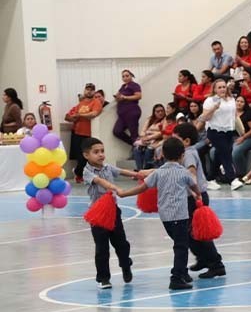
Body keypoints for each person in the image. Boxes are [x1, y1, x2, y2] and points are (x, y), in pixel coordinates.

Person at [118, 138, 202, 290]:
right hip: (180, 216)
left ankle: (183, 272)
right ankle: (176, 277)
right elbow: (194, 185)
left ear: (162, 154)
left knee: (179, 243)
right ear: (182, 155)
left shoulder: (158, 173)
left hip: (165, 217)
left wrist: (125, 193)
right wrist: (197, 195)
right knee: (181, 246)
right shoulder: (184, 173)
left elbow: (143, 187)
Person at [172, 124, 226, 279]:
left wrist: (193, 192)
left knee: (198, 234)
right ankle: (203, 259)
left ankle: (216, 265)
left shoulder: (188, 154)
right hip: (192, 196)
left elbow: (191, 173)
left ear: (186, 141)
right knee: (191, 233)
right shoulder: (186, 152)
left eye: (176, 139)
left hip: (195, 197)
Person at [81, 137, 136, 289]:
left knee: (121, 243)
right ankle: (103, 278)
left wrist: (139, 175)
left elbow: (123, 171)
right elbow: (100, 182)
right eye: (96, 152)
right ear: (86, 155)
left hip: (113, 212)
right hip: (98, 215)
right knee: (102, 248)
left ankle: (126, 264)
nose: (100, 155)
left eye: (102, 151)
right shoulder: (87, 172)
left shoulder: (108, 168)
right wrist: (114, 187)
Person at [198, 79, 243, 191]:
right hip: (215, 131)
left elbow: (235, 116)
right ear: (214, 89)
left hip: (228, 130)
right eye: (219, 87)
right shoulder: (210, 100)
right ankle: (232, 179)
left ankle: (210, 178)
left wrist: (241, 130)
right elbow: (204, 118)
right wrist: (214, 108)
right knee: (226, 153)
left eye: (224, 87)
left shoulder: (231, 99)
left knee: (219, 154)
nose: (222, 89)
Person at [66, 83, 103, 182]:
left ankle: (79, 173)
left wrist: (80, 115)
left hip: (88, 133)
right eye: (87, 89)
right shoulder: (81, 103)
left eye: (91, 89)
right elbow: (69, 115)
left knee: (86, 156)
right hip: (77, 132)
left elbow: (94, 113)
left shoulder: (96, 102)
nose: (89, 91)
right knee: (79, 156)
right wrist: (72, 117)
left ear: (94, 91)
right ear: (84, 90)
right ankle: (79, 175)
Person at [232, 96, 251, 179]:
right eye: (237, 101)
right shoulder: (230, 113)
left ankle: (240, 174)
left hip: (249, 138)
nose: (239, 103)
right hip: (234, 137)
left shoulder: (249, 113)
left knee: (236, 151)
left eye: (241, 102)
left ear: (245, 104)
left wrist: (243, 137)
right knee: (214, 151)